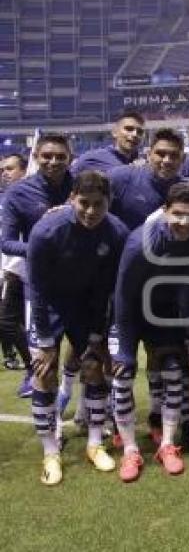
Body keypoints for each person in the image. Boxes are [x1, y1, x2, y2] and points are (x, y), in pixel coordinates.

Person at [27, 170, 128, 485]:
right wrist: (44, 341)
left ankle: (95, 444)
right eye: (84, 202)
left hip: (87, 309)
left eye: (99, 204)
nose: (91, 211)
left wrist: (98, 334)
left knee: (95, 368)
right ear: (72, 199)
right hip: (50, 306)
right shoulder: (46, 231)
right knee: (44, 373)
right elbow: (37, 290)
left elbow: (108, 290)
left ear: (108, 202)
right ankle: (50, 452)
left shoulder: (117, 233)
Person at [111, 182, 189, 478]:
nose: (183, 222)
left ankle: (168, 444)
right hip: (130, 312)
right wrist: (127, 350)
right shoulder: (140, 243)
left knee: (173, 370)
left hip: (165, 314)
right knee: (123, 374)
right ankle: (130, 451)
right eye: (177, 214)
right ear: (165, 212)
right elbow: (123, 296)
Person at [1, 134, 76, 413]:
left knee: (91, 354)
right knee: (45, 361)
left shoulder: (80, 185)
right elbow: (6, 242)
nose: (54, 162)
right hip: (42, 289)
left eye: (60, 156)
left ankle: (82, 409)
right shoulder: (18, 193)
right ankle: (52, 430)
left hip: (83, 284)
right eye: (47, 156)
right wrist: (40, 247)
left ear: (69, 157)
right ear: (36, 157)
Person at [0, 153, 31, 375]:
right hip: (8, 267)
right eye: (2, 170)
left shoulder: (27, 198)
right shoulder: (7, 198)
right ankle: (12, 357)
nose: (4, 174)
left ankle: (33, 367)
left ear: (23, 170)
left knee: (7, 320)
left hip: (17, 269)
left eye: (9, 169)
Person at [70, 110, 146, 176]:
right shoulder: (92, 159)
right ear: (114, 132)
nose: (135, 134)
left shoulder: (144, 166)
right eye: (129, 129)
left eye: (140, 132)